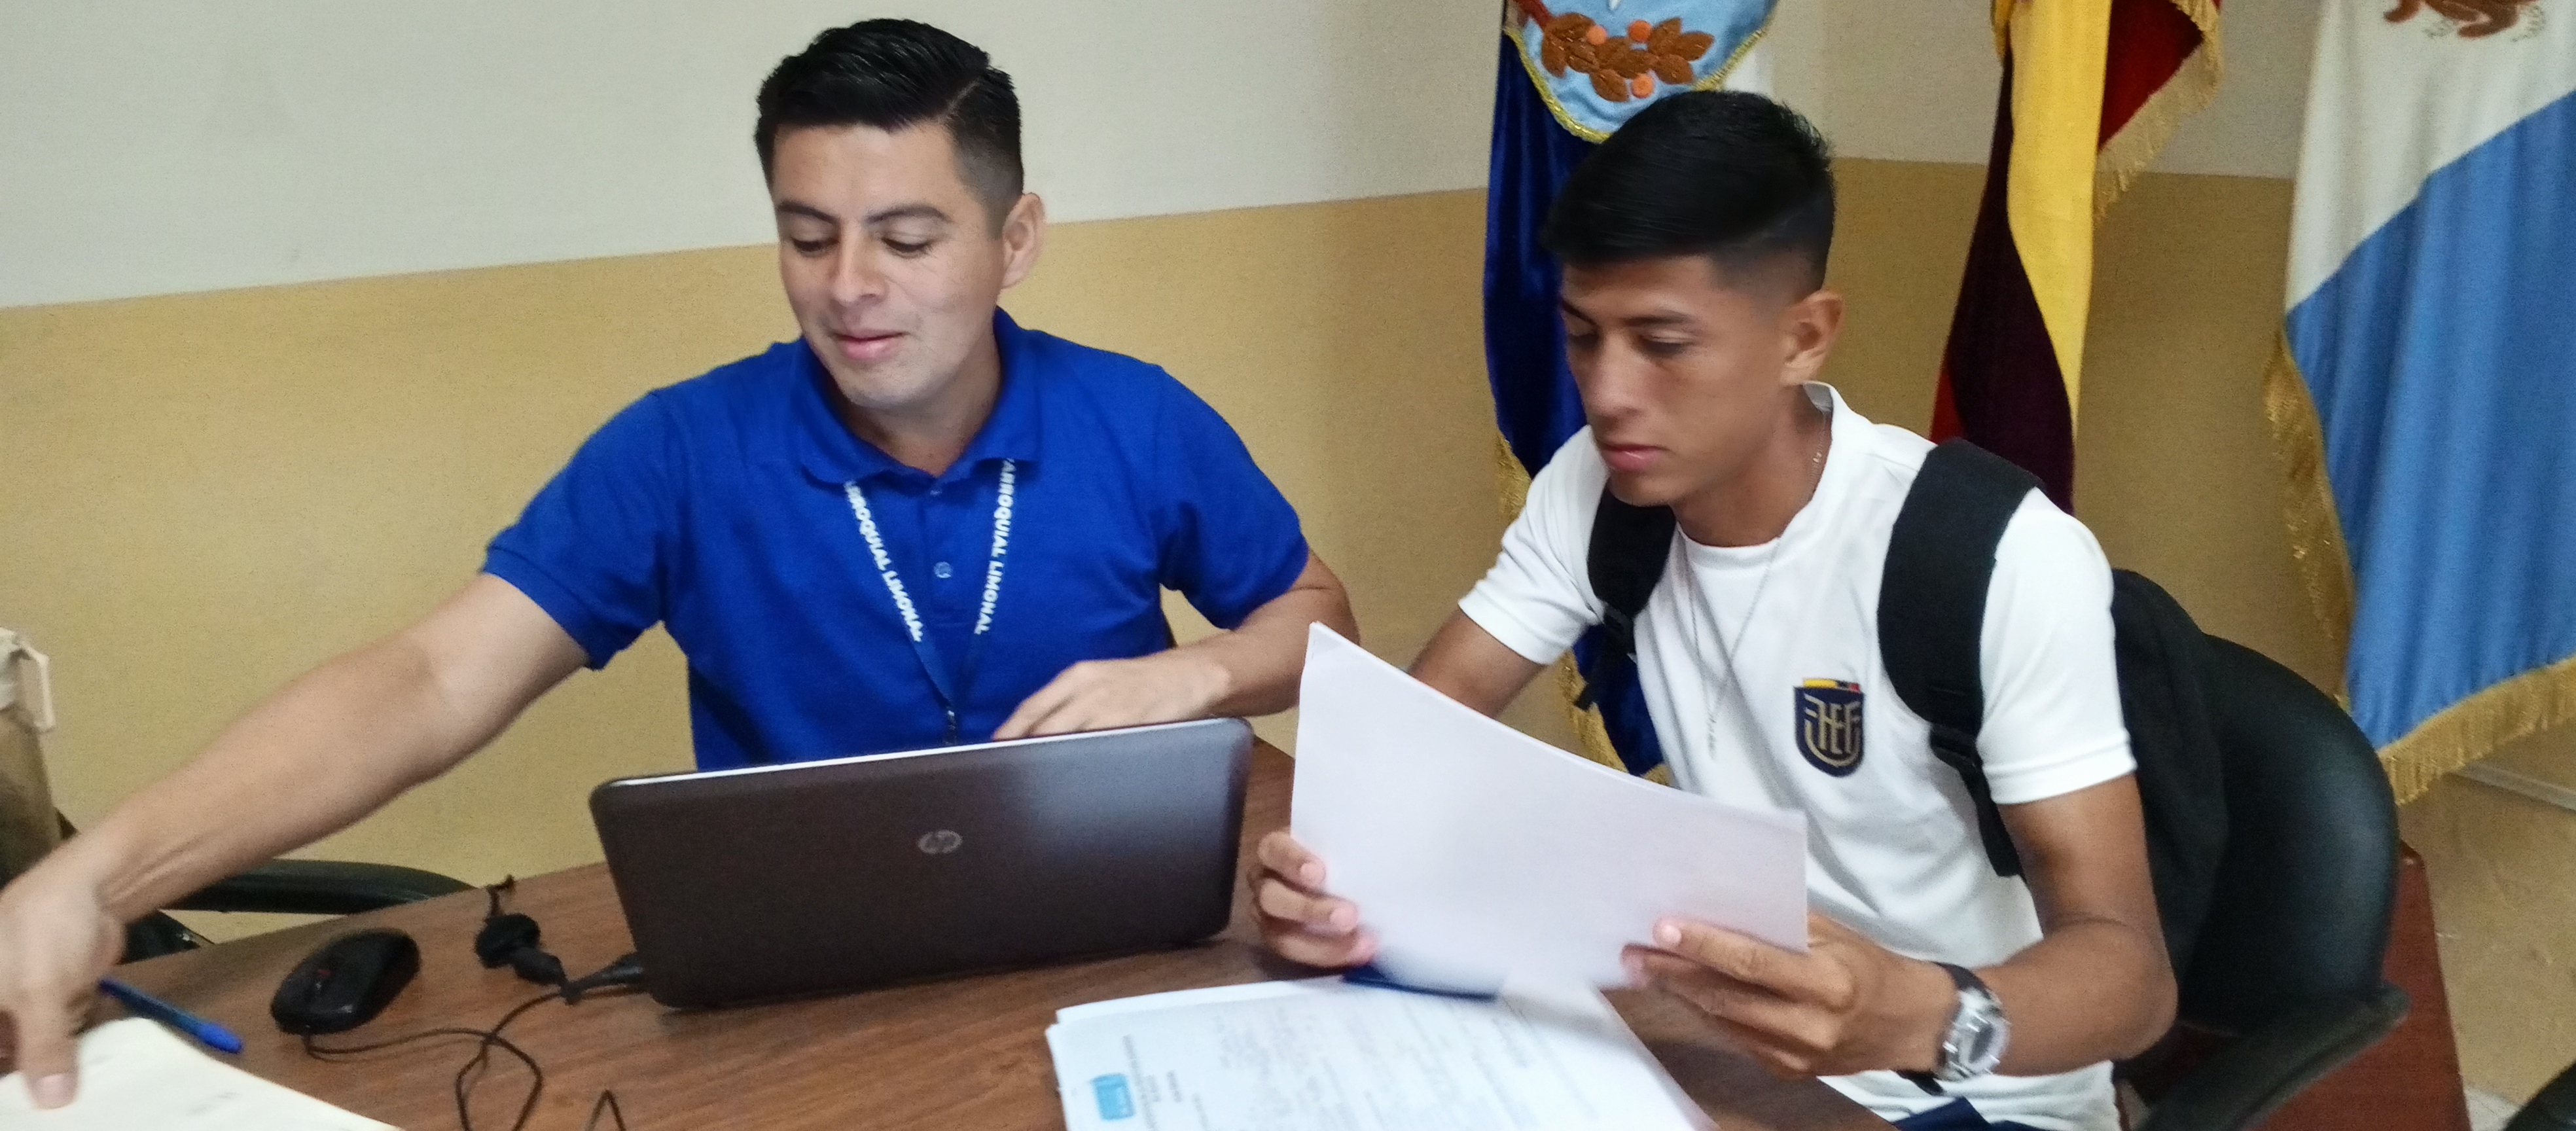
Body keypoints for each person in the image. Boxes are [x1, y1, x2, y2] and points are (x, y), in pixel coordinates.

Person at [0, 19, 1353, 1106]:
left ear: (1016, 240)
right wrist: (95, 878)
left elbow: (1314, 614)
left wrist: (1196, 674)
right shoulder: (682, 448)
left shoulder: (1137, 415)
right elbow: (429, 680)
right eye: (808, 236)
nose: (848, 286)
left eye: (907, 239)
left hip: (1119, 961)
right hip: (800, 997)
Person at [1251, 92, 2170, 1131]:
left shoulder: (1993, 555)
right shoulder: (1598, 486)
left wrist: (1922, 1017)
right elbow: (1427, 725)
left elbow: (2135, 979)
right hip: (1723, 1053)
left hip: (1962, 1094)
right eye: (1583, 336)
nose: (1608, 393)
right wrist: (1330, 879)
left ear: (1804, 337)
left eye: (1663, 343)